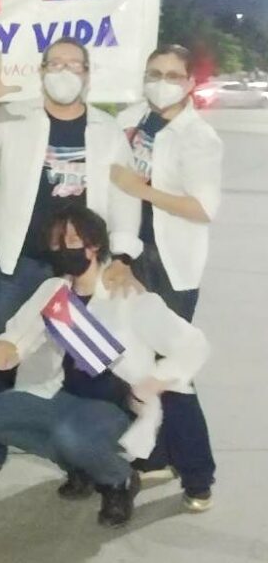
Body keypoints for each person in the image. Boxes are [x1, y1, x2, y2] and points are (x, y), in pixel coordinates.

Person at [0, 39, 144, 487]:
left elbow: (124, 194)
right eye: (55, 64)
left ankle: (95, 452)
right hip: (21, 261)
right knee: (3, 351)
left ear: (87, 75)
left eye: (73, 65)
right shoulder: (17, 116)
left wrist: (124, 255)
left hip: (83, 267)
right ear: (41, 72)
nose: (64, 72)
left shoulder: (106, 130)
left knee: (92, 361)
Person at [0, 205, 209, 528]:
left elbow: (194, 344)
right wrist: (0, 351)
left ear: (94, 245)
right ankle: (79, 467)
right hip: (62, 394)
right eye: (57, 243)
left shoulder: (126, 294)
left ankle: (118, 481)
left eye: (71, 239)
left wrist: (157, 379)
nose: (62, 248)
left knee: (69, 433)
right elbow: (15, 335)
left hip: (114, 404)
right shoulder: (55, 291)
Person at [112, 44, 221, 511]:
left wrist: (143, 190)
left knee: (172, 373)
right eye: (154, 72)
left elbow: (201, 209)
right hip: (131, 256)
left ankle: (198, 475)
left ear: (191, 82)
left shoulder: (200, 137)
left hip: (172, 265)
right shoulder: (133, 121)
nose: (162, 81)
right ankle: (154, 456)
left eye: (174, 75)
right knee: (133, 362)